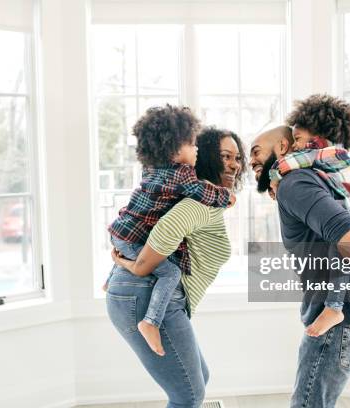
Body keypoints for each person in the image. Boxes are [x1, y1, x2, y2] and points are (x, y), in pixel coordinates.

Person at [251, 122, 350, 408]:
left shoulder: (295, 184)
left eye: (256, 151)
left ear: (282, 148)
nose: (250, 161)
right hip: (348, 316)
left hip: (343, 318)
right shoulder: (308, 179)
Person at [106, 126, 246, 408]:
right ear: (205, 156)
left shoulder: (199, 198)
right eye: (225, 156)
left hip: (145, 293)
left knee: (198, 381)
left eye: (237, 158)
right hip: (148, 294)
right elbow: (163, 232)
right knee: (188, 395)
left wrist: (121, 268)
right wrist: (134, 268)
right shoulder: (199, 202)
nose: (234, 164)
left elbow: (143, 227)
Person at [267, 94, 350, 337]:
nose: (295, 145)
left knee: (342, 244)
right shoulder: (328, 164)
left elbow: (293, 161)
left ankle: (334, 308)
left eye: (298, 138)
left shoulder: (326, 153)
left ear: (318, 136)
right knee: (344, 245)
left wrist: (275, 176)